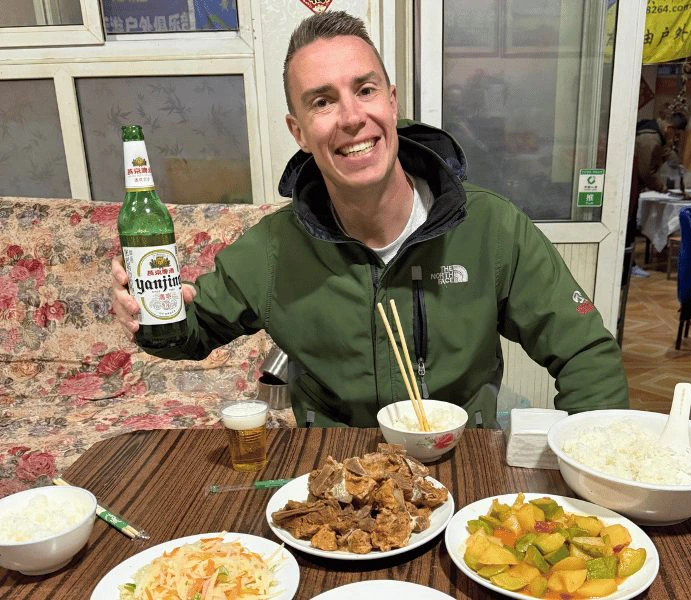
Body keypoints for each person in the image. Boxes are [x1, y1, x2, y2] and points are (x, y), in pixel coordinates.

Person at [111, 10, 628, 428]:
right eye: (322, 101)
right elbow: (193, 332)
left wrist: (589, 466)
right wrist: (150, 317)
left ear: (391, 101)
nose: (352, 117)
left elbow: (585, 352)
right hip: (333, 477)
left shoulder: (491, 227)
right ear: (298, 131)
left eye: (365, 89)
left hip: (458, 460)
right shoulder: (272, 249)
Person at [626, 112, 688, 277]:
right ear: (670, 128)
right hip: (629, 185)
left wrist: (673, 157)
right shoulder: (650, 139)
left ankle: (628, 265)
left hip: (634, 185)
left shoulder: (657, 133)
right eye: (675, 134)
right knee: (627, 225)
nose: (675, 138)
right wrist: (662, 188)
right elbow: (645, 172)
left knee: (629, 225)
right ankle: (627, 266)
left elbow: (666, 154)